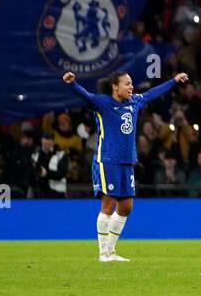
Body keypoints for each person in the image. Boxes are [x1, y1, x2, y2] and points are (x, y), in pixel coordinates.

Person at [64, 69, 188, 262]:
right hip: (107, 160)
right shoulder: (103, 103)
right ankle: (103, 253)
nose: (131, 87)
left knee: (126, 207)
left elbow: (152, 94)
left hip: (127, 162)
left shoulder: (134, 102)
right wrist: (72, 84)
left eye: (131, 84)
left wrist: (173, 81)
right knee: (108, 203)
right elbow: (85, 96)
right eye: (127, 84)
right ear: (115, 87)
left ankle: (112, 251)